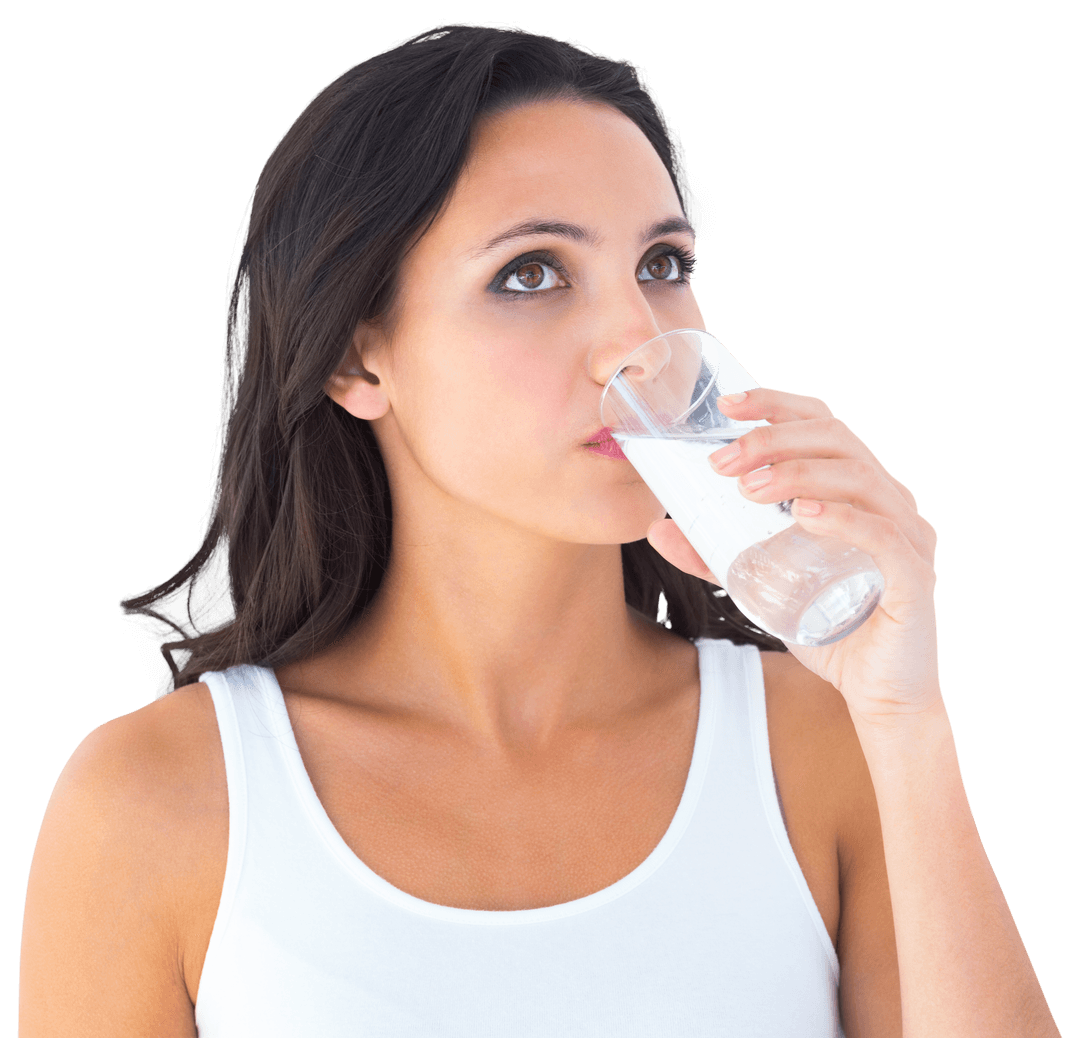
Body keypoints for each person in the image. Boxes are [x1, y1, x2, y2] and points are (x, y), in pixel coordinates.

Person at [18, 21, 1060, 1038]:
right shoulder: (152, 804)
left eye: (662, 265)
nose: (636, 344)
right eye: (531, 274)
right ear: (354, 360)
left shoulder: (827, 746)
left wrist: (904, 716)